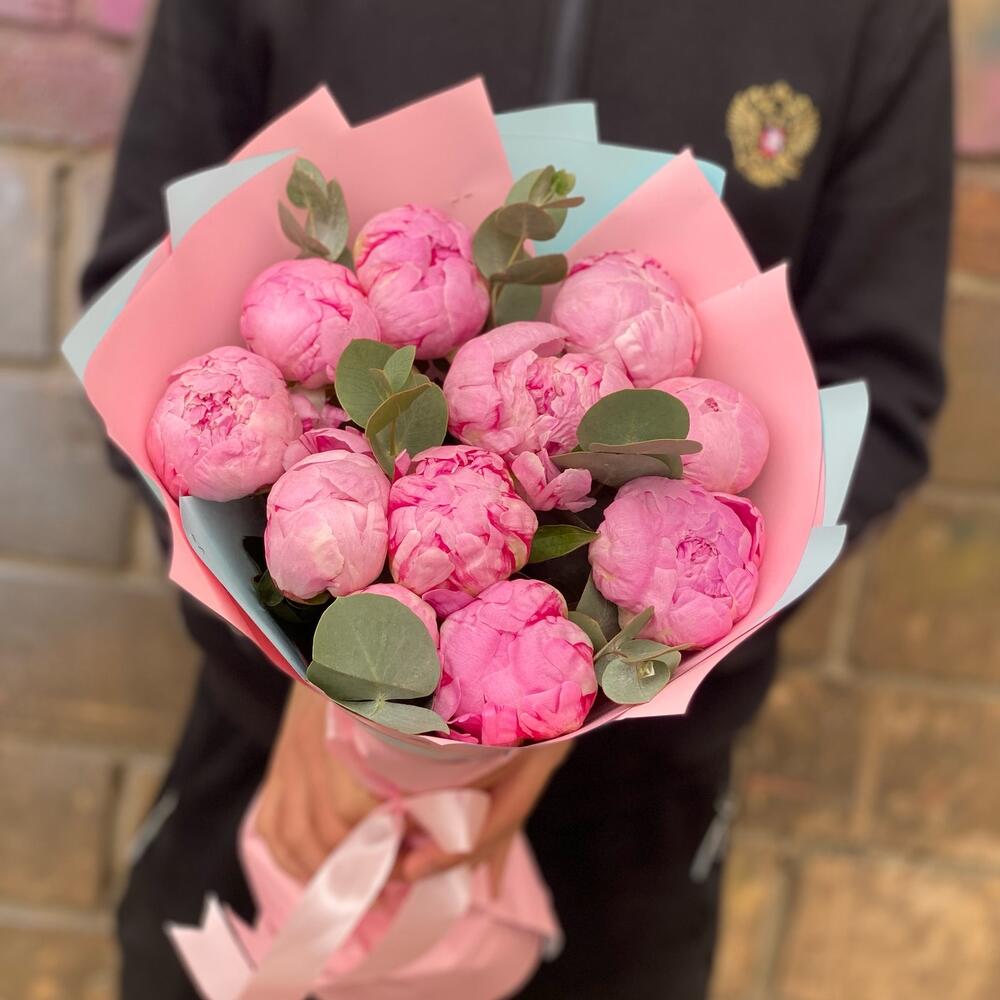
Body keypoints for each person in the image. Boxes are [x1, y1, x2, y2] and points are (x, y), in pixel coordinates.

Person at [82, 1, 952, 997]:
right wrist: (326, 693)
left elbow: (877, 399)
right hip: (276, 773)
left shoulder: (873, 17)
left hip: (621, 826)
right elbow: (137, 306)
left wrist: (570, 706)